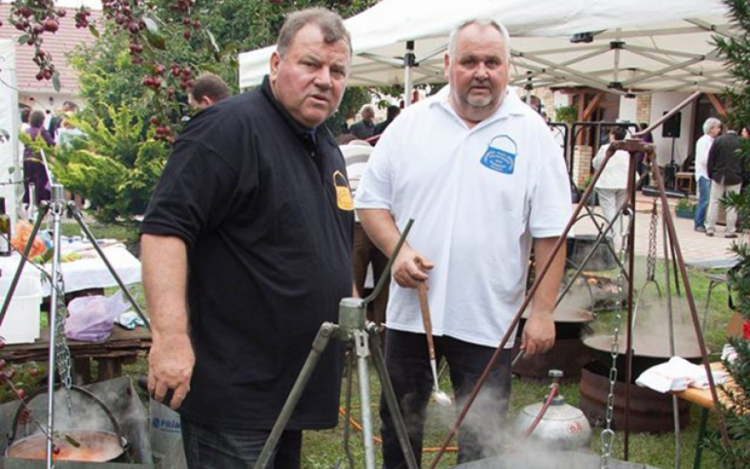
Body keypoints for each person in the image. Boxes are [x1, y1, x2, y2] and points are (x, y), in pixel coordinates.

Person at [139, 9, 354, 469]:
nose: (324, 80)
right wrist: (171, 338)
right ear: (276, 66)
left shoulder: (323, 142)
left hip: (294, 384)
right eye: (310, 64)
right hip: (237, 391)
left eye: (336, 71)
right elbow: (163, 232)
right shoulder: (227, 129)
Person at [355, 19, 571, 468]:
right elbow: (372, 205)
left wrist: (544, 311)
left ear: (507, 68)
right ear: (449, 63)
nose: (481, 71)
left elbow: (551, 232)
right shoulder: (411, 125)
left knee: (482, 443)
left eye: (492, 62)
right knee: (399, 424)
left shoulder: (533, 134)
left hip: (489, 320)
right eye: (469, 60)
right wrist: (399, 251)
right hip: (413, 317)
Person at [592, 126, 630, 246]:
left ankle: (611, 239)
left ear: (612, 136)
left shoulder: (605, 148)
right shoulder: (627, 150)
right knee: (617, 212)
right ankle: (618, 240)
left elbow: (596, 163)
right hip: (623, 183)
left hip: (607, 184)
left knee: (609, 213)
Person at [706, 124, 743, 238]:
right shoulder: (741, 142)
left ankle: (710, 228)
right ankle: (730, 230)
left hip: (718, 175)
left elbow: (711, 159)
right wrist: (743, 177)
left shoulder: (718, 140)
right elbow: (745, 161)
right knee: (732, 205)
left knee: (714, 202)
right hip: (735, 176)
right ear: (738, 130)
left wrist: (711, 174)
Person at [693, 118, 722, 232]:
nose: (719, 130)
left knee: (708, 199)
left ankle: (703, 221)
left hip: (709, 174)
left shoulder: (712, 141)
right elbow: (703, 159)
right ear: (711, 129)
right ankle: (698, 223)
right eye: (717, 128)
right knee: (704, 199)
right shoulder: (703, 141)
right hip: (703, 174)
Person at [23, 110, 54, 206]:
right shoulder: (43, 132)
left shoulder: (27, 131)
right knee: (40, 182)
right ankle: (40, 202)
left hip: (27, 159)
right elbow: (51, 143)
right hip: (39, 160)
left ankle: (28, 202)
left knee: (29, 181)